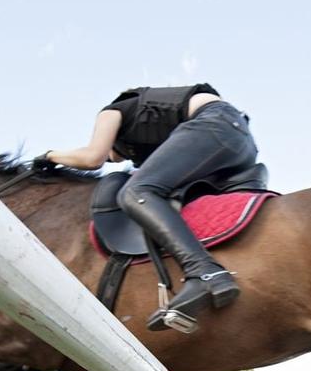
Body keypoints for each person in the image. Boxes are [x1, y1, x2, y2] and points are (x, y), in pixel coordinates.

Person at [39, 84, 258, 330]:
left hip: (215, 124)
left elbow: (93, 158)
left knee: (135, 192)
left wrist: (50, 156)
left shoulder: (112, 112)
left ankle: (205, 272)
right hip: (239, 141)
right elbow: (114, 158)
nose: (118, 158)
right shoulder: (155, 126)